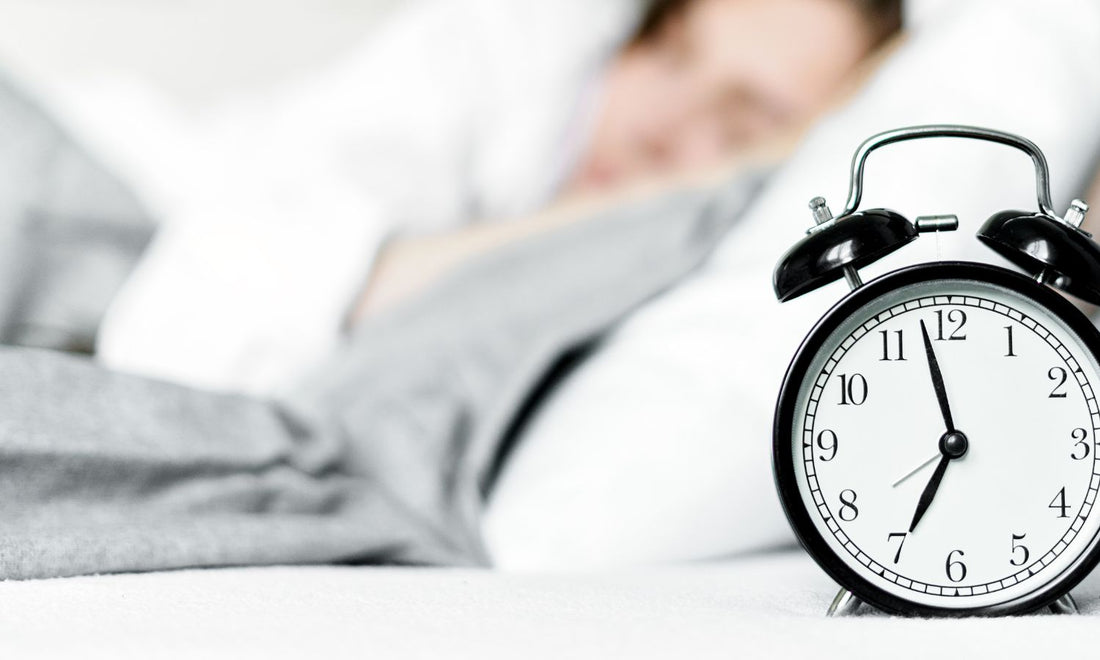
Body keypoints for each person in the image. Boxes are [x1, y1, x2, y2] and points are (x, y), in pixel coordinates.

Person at [86, 0, 903, 396]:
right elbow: (185, 333)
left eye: (739, 122)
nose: (663, 124)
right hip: (88, 163)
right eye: (670, 54)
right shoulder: (488, 57)